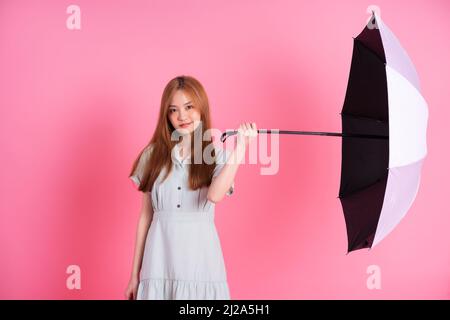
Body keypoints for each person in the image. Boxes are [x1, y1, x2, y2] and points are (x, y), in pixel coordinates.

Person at [124, 75, 257, 300]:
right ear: (166, 115)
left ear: (201, 108)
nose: (182, 116)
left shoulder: (217, 157)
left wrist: (241, 147)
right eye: (173, 110)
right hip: (158, 262)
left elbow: (215, 196)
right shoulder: (152, 156)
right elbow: (146, 217)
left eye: (188, 107)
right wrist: (134, 276)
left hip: (200, 263)